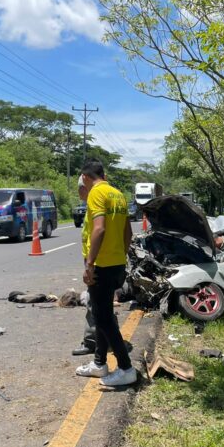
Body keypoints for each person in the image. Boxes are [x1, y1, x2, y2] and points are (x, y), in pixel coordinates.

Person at [75, 161, 135, 386]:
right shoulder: (118, 194)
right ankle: (99, 364)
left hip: (102, 265)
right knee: (102, 314)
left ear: (85, 177)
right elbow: (127, 231)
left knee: (104, 318)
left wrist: (90, 265)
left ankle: (126, 368)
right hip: (117, 263)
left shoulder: (96, 193)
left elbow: (98, 228)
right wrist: (121, 254)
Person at [72, 175, 119, 356]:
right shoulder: (104, 199)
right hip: (107, 260)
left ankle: (95, 343)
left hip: (98, 261)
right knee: (102, 306)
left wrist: (90, 264)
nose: (79, 193)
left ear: (85, 187)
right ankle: (104, 345)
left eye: (80, 189)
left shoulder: (96, 200)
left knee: (96, 305)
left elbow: (99, 231)